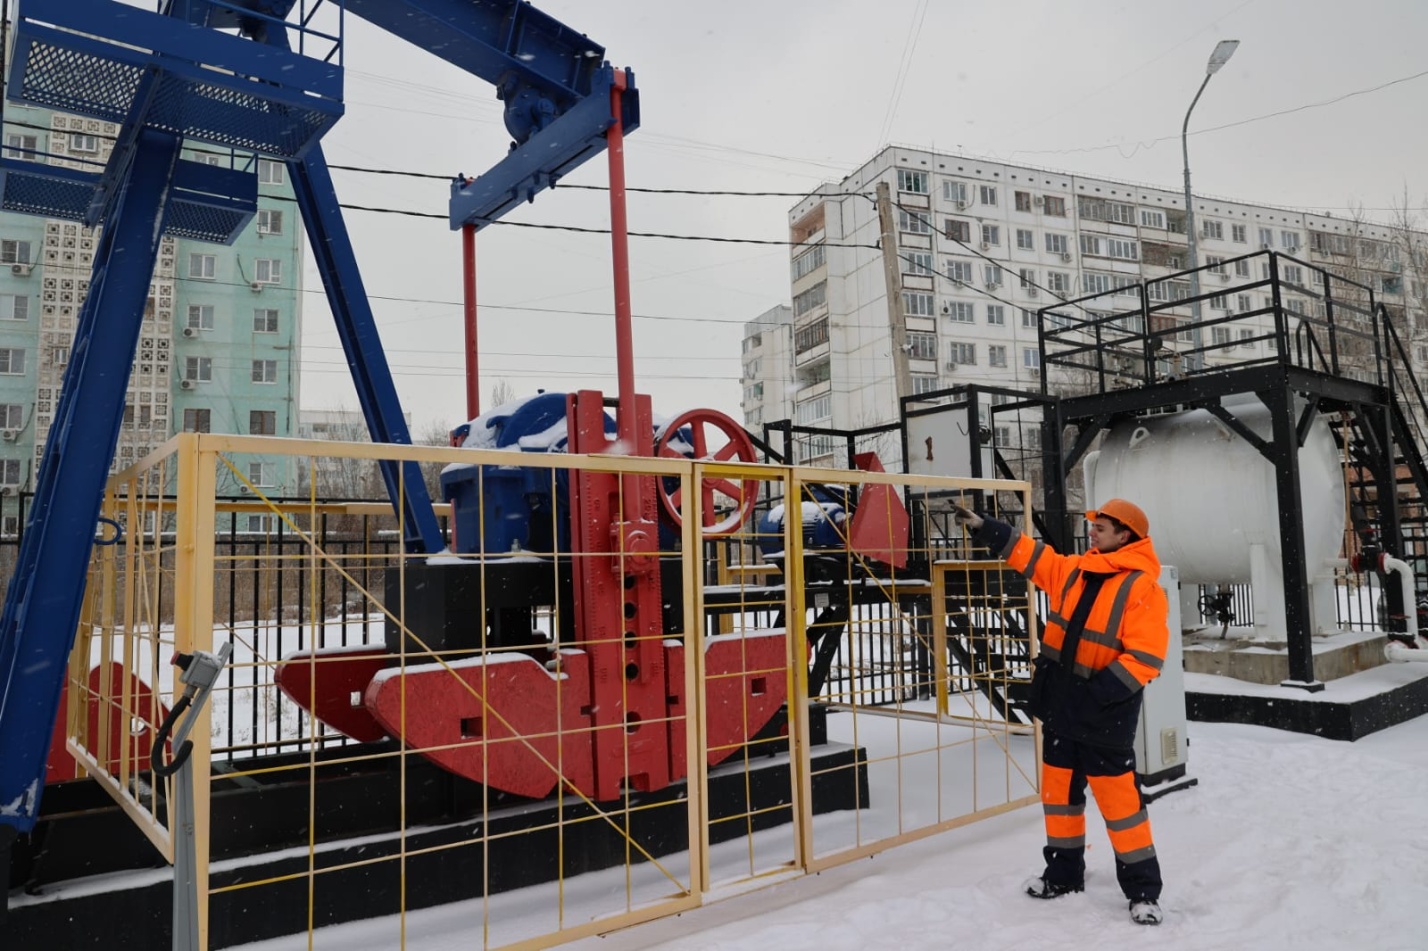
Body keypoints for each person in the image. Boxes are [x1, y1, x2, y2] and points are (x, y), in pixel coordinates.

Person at [951, 498, 1170, 926]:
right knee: (1059, 801)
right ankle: (1063, 875)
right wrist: (985, 527)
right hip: (1061, 712)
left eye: (1101, 528)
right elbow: (1033, 556)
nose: (1093, 532)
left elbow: (1145, 658)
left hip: (1103, 718)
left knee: (1122, 809)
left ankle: (1143, 892)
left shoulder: (1142, 587)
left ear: (1125, 535)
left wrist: (1094, 697)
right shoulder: (1076, 569)